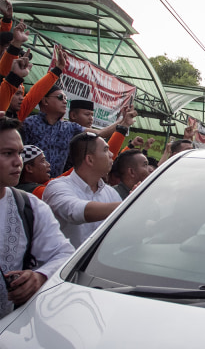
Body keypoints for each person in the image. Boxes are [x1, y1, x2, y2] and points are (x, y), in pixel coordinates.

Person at [0, 117, 74, 318]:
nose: (18, 162)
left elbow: (64, 254)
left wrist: (40, 276)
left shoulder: (29, 207)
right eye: (7, 154)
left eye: (20, 153)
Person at [21, 87, 137, 178]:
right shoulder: (28, 124)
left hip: (55, 185)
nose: (65, 101)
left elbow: (100, 133)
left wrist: (123, 120)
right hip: (28, 185)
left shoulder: (70, 127)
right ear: (45, 100)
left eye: (66, 98)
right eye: (60, 97)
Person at [42, 132, 122, 248]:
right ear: (90, 159)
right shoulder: (56, 187)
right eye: (105, 150)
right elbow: (75, 211)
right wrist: (130, 205)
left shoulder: (111, 193)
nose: (111, 154)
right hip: (63, 265)